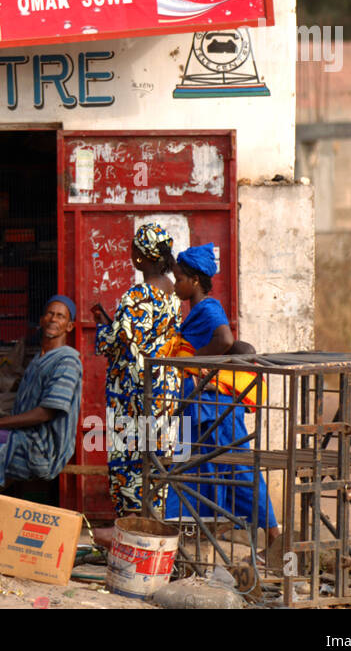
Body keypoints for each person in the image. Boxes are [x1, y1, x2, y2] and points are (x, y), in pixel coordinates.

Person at [163, 243, 280, 554]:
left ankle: (274, 535)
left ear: (195, 281)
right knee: (188, 469)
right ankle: (184, 539)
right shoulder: (197, 311)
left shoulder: (208, 308)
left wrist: (196, 363)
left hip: (215, 409)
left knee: (238, 469)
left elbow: (225, 339)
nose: (176, 285)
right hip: (197, 409)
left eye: (179, 279)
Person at [0, 295, 83, 522]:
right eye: (50, 314)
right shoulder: (39, 358)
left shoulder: (67, 361)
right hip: (24, 435)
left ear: (69, 326)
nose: (53, 319)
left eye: (60, 316)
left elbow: (47, 412)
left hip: (42, 446)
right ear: (41, 320)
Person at [92, 223, 182, 523]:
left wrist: (102, 327)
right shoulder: (173, 293)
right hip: (165, 390)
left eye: (133, 250)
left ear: (141, 258)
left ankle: (133, 534)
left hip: (133, 392)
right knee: (155, 459)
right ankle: (153, 528)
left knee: (129, 461)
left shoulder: (137, 295)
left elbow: (121, 343)